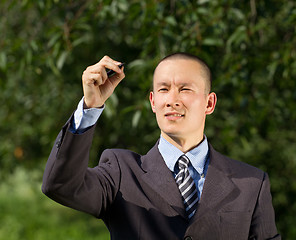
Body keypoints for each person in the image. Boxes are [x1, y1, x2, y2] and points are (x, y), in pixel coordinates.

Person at [42, 53, 281, 240]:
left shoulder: (251, 183)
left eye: (185, 89)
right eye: (164, 89)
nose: (172, 99)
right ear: (153, 101)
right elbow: (60, 186)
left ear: (209, 103)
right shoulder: (120, 172)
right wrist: (90, 107)